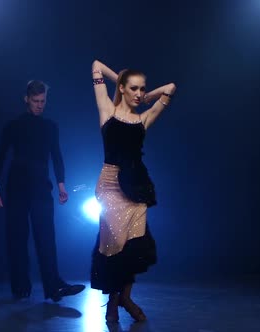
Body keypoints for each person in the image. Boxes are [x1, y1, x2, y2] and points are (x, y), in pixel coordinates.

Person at [90, 60, 176, 322]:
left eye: (143, 89)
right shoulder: (107, 110)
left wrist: (148, 95)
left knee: (134, 247)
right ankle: (114, 299)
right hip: (110, 185)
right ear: (123, 89)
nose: (140, 94)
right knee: (114, 245)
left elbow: (171, 88)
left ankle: (122, 298)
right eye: (134, 89)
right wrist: (120, 80)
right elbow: (96, 65)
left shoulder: (143, 119)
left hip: (136, 187)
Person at [0, 80, 85, 302]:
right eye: (35, 101)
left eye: (43, 101)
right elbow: (1, 156)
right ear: (26, 99)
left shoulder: (50, 126)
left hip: (42, 187)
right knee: (17, 237)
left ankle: (53, 286)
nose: (40, 105)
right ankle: (20, 286)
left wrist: (61, 184)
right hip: (17, 187)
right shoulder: (13, 126)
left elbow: (56, 155)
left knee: (46, 237)